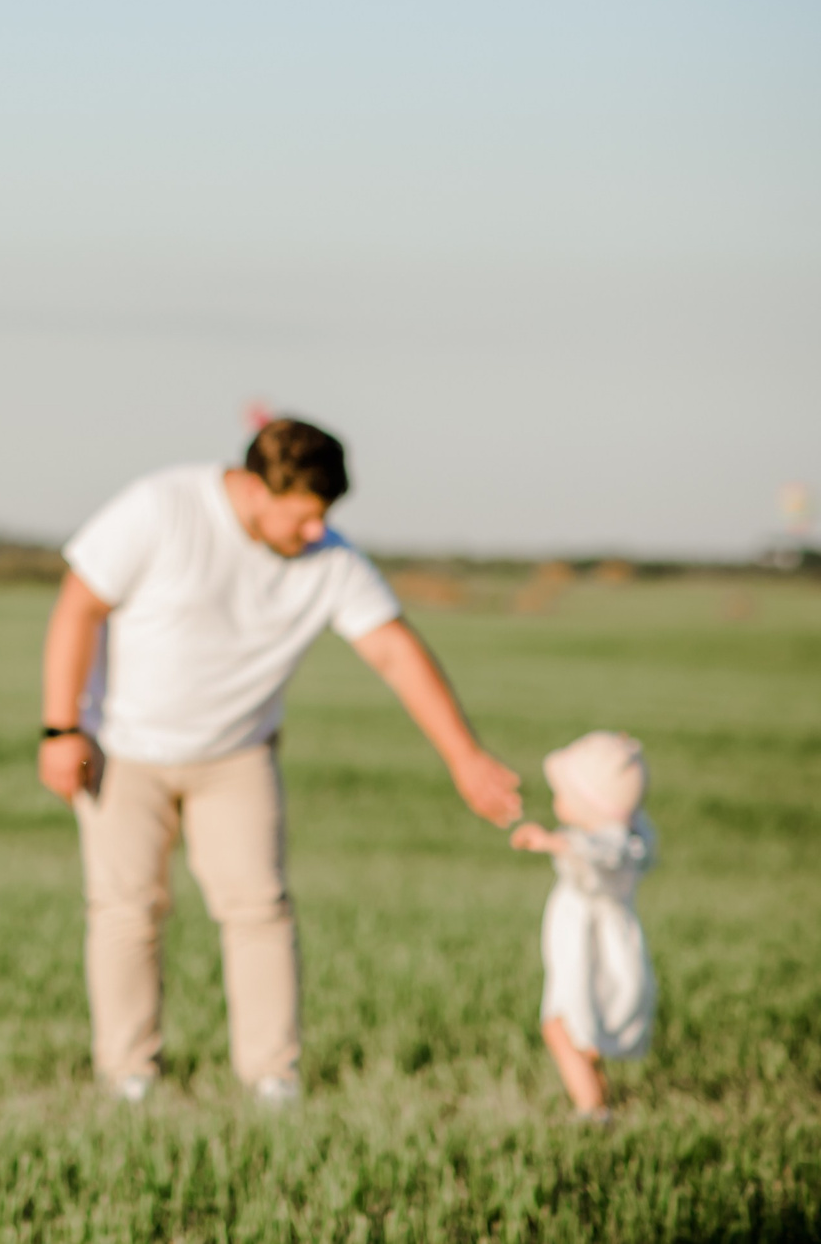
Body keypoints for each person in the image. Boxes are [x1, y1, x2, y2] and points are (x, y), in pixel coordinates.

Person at [36, 418, 522, 1103]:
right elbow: (79, 606)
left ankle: (272, 1076)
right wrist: (61, 729)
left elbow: (393, 651)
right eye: (305, 515)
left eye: (325, 516)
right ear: (257, 490)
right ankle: (129, 1072)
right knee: (125, 909)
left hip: (238, 756)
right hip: (122, 749)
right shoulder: (161, 507)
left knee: (260, 908)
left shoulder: (330, 559)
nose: (317, 531)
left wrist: (465, 756)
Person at [510, 730, 655, 1124]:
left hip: (590, 953)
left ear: (591, 804)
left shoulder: (607, 848)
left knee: (562, 1026)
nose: (557, 800)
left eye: (564, 793)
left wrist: (555, 843)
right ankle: (596, 1098)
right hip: (604, 950)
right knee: (581, 1028)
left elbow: (602, 854)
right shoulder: (631, 838)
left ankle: (592, 1110)